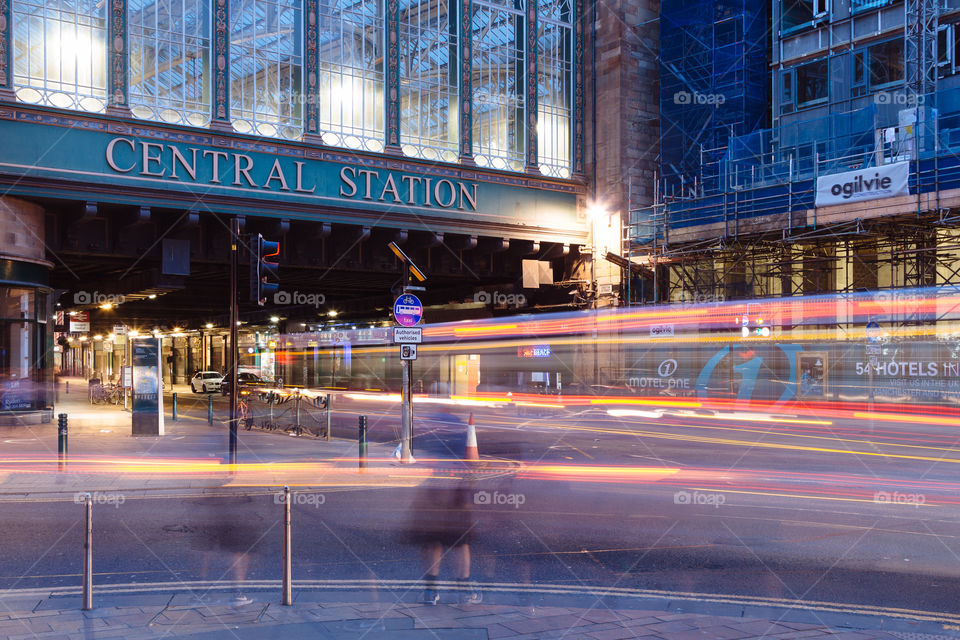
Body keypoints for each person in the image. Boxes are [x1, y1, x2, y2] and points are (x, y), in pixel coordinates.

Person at [408, 465, 481, 605]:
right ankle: (464, 592)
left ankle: (430, 592)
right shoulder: (462, 443)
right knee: (459, 540)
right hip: (457, 486)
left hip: (436, 486)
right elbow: (471, 459)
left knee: (433, 537)